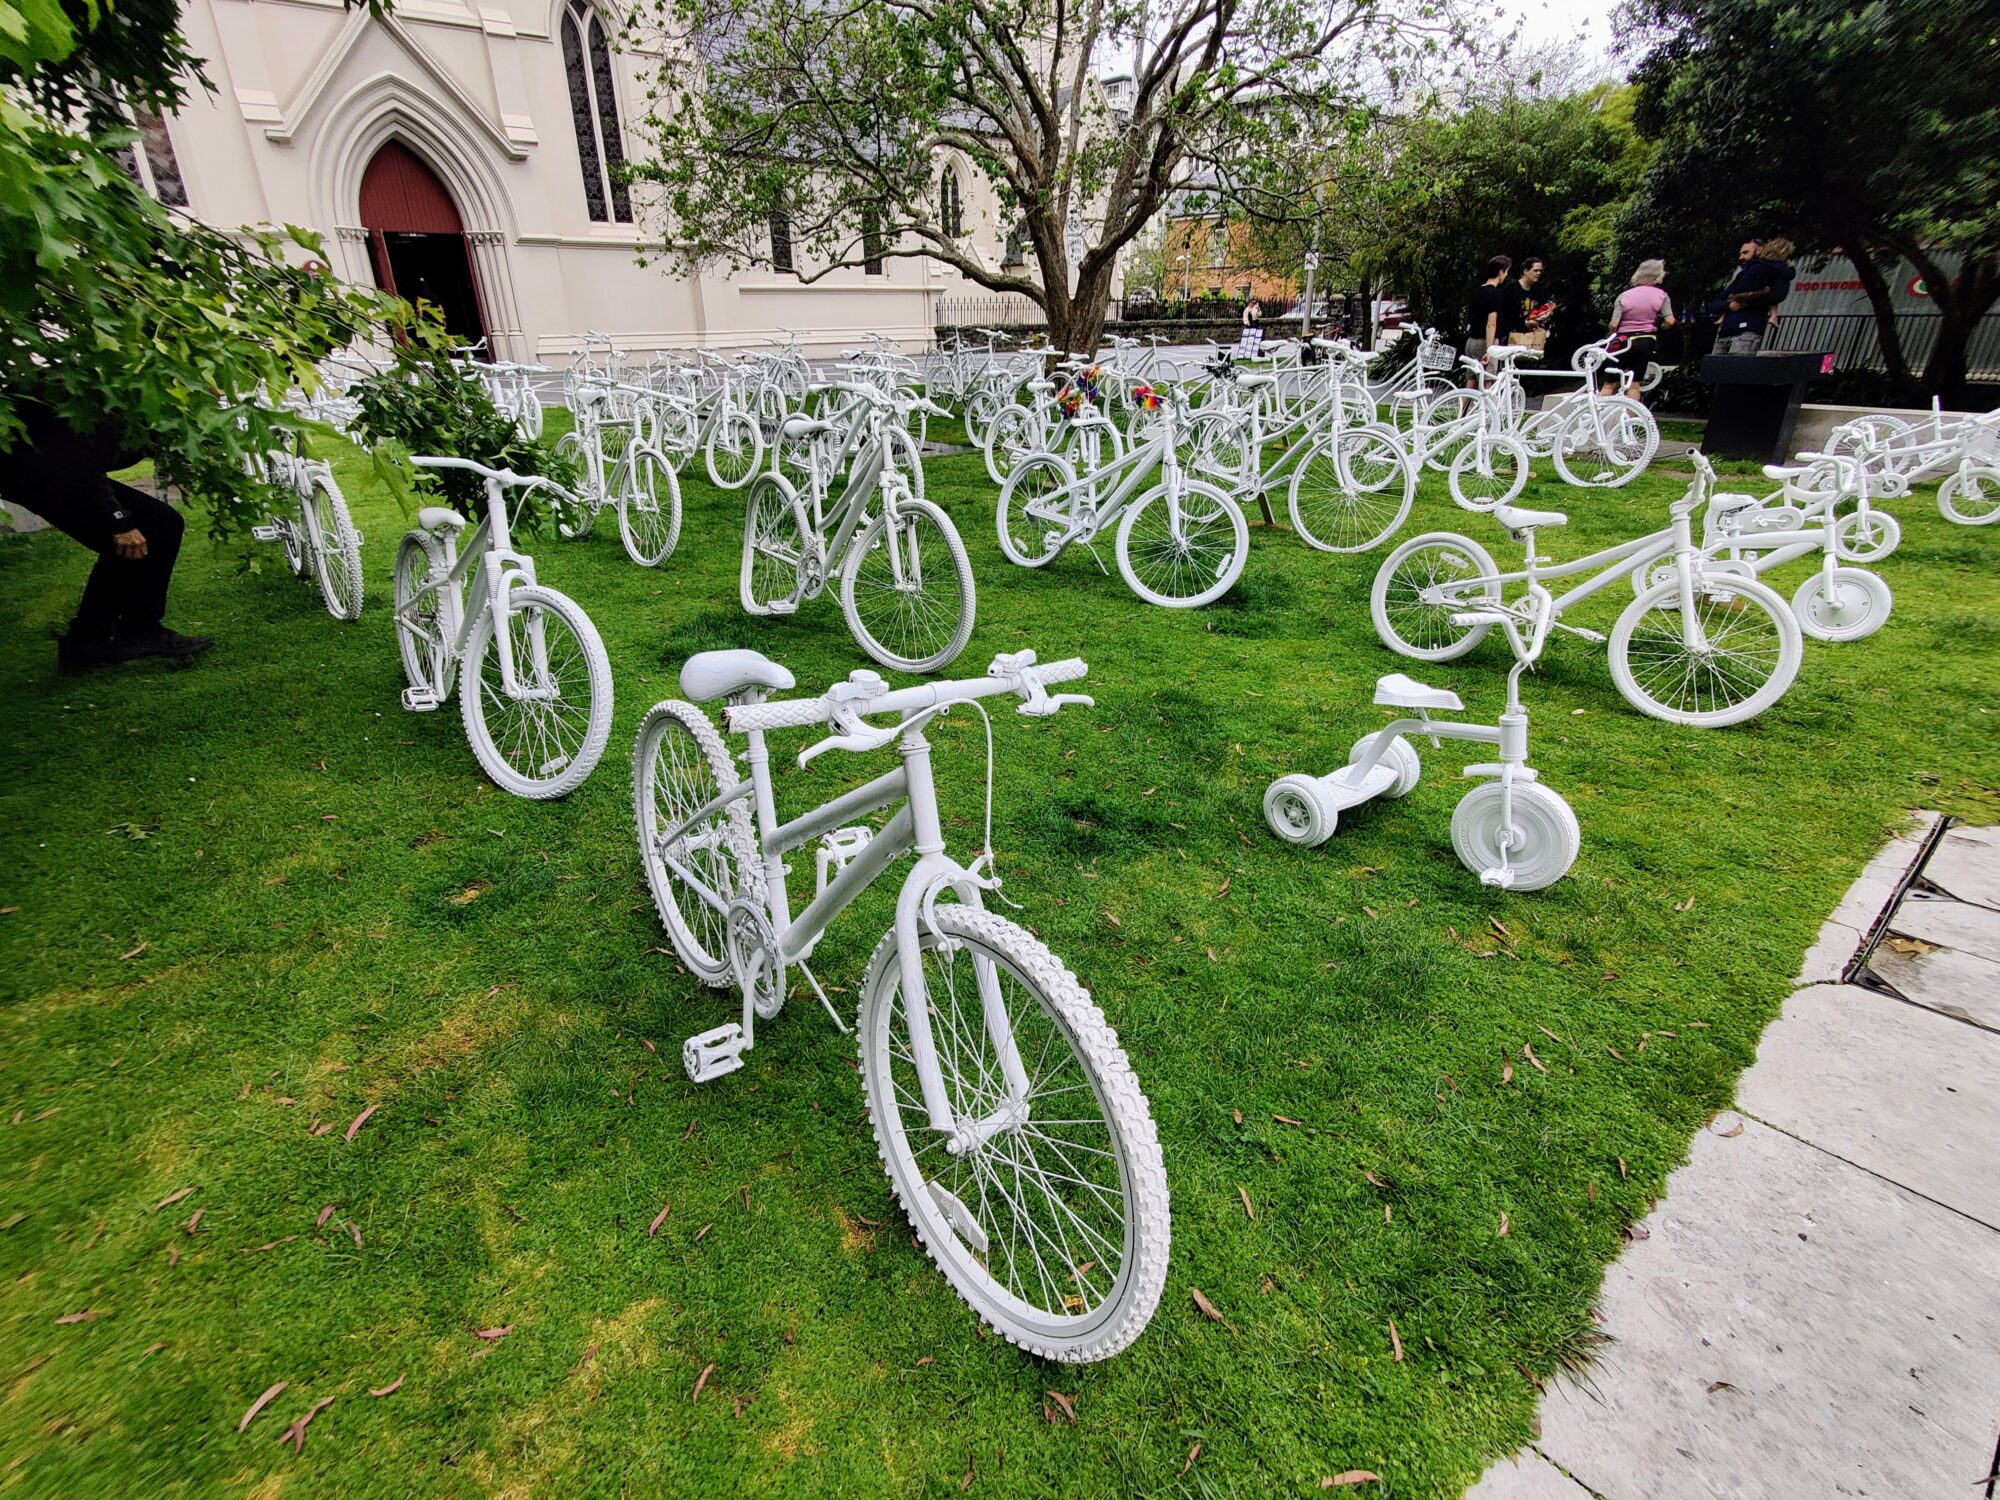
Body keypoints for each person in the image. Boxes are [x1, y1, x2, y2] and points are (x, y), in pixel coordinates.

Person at [0, 402, 212, 675]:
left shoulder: (144, 408)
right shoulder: (112, 406)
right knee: (145, 531)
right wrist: (119, 521)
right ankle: (129, 632)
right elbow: (79, 463)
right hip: (43, 472)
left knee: (156, 527)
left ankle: (90, 640)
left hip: (51, 470)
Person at [1605, 259, 1676, 399]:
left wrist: (1611, 333)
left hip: (1623, 340)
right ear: (1658, 275)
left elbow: (1613, 324)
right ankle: (1631, 419)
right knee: (1634, 384)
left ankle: (1599, 418)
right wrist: (1661, 326)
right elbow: (1670, 321)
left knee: (1609, 383)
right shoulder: (1662, 296)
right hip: (1646, 340)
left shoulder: (1624, 296)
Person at [1714, 237, 1795, 354]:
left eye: (1745, 252)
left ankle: (1772, 316)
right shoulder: (1778, 268)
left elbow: (1778, 295)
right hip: (1734, 330)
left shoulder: (1753, 269)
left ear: (1760, 250)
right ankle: (1773, 316)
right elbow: (1782, 288)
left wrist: (1733, 304)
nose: (1741, 257)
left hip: (1742, 329)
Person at [1499, 257, 1554, 349]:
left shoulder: (1537, 290)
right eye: (1535, 270)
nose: (1538, 273)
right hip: (1509, 336)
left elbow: (1541, 309)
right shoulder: (1510, 289)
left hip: (1529, 338)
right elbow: (1501, 312)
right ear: (1525, 271)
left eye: (1540, 271)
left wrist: (1538, 320)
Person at [1466, 256, 1511, 364]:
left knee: (1472, 379)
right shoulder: (1495, 294)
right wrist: (1489, 350)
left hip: (1471, 342)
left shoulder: (1477, 291)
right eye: (1506, 271)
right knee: (1488, 379)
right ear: (1501, 272)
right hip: (1485, 342)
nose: (1507, 275)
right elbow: (1491, 324)